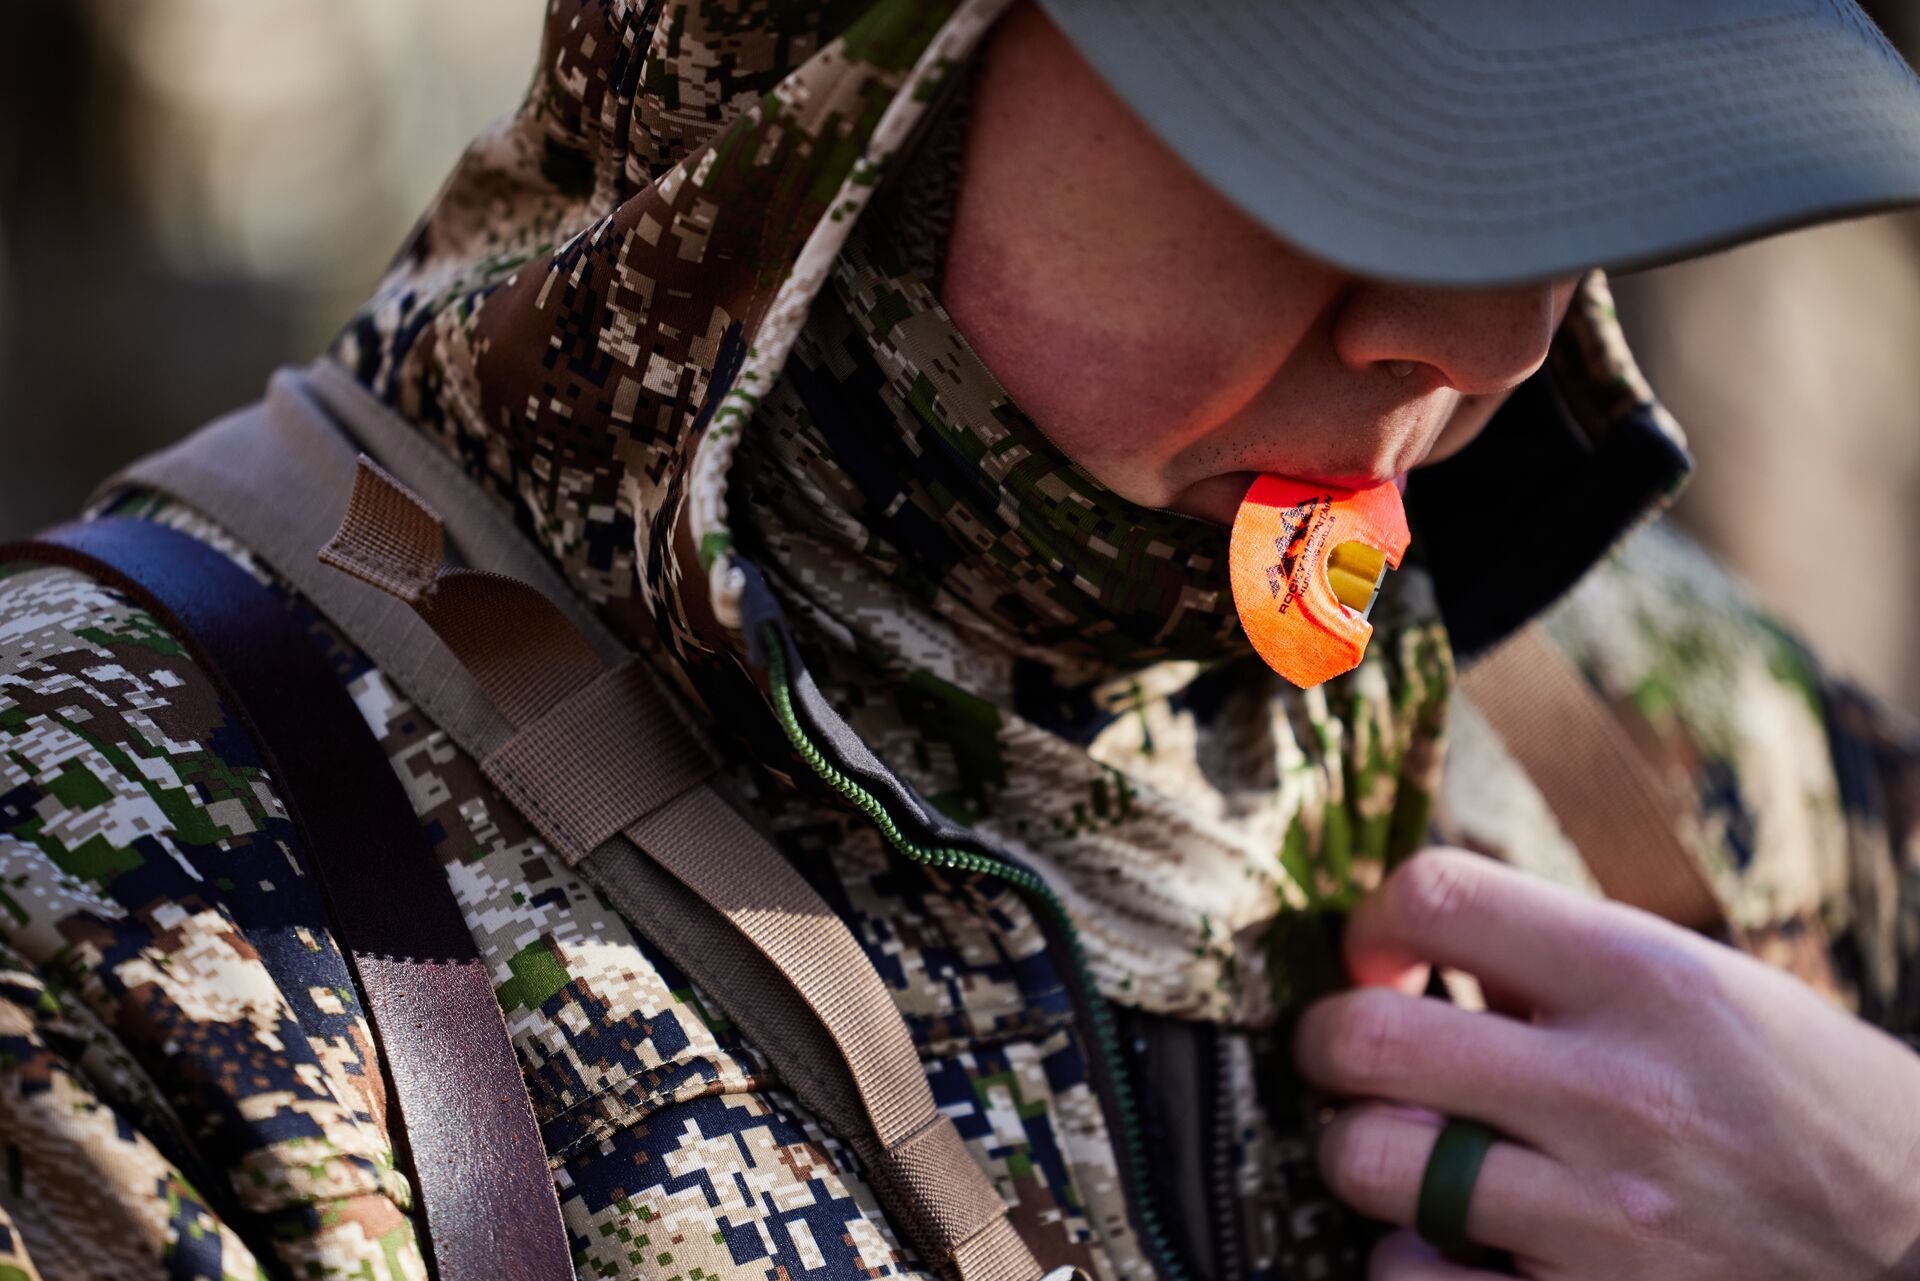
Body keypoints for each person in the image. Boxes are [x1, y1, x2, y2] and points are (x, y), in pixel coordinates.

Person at [1, 2, 1918, 1278]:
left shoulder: (1685, 727)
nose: (1495, 336)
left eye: (1596, 143)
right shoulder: (107, 885)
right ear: (853, 71)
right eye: (1350, 146)